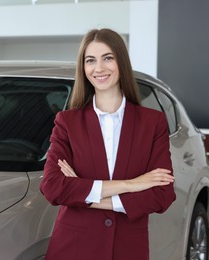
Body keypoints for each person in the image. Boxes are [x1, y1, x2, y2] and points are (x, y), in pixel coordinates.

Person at [40, 28, 176, 260]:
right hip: (73, 248)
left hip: (127, 249)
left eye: (108, 58)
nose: (99, 68)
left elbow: (162, 194)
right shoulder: (67, 122)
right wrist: (133, 184)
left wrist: (83, 193)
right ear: (83, 68)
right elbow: (52, 187)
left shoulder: (152, 122)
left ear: (121, 62)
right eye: (90, 60)